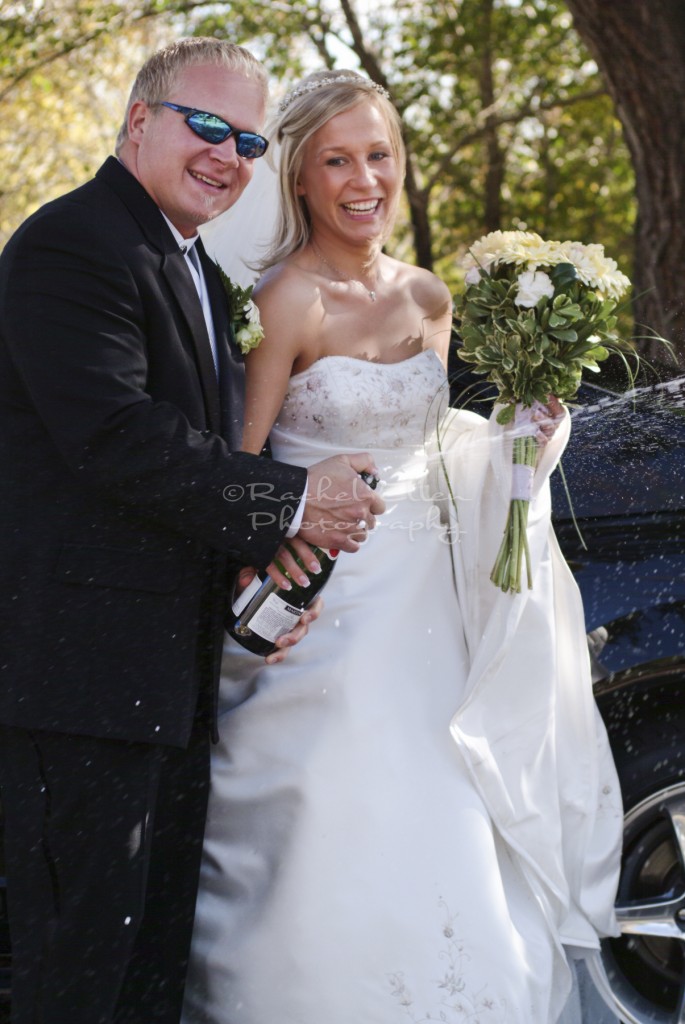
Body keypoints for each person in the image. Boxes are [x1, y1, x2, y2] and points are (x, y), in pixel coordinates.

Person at [181, 70, 624, 1024]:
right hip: (328, 603)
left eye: (377, 155)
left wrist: (525, 436)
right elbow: (242, 471)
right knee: (339, 798)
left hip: (437, 598)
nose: (362, 180)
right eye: (335, 161)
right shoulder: (283, 301)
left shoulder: (429, 296)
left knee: (455, 797)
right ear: (298, 179)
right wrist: (267, 564)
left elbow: (442, 449)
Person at [0, 42, 385, 1024]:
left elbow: (203, 447)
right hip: (76, 686)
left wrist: (249, 584)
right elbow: (116, 437)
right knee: (73, 967)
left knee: (150, 964)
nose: (227, 153)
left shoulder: (194, 269)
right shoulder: (71, 244)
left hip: (164, 682)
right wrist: (292, 503)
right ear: (138, 121)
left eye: (247, 138)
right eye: (204, 126)